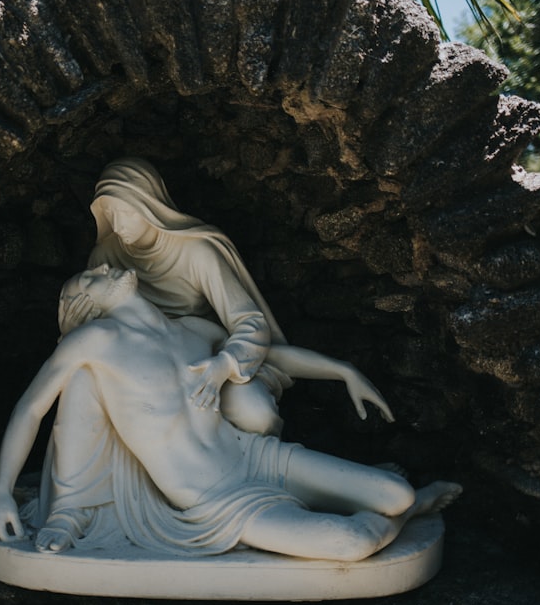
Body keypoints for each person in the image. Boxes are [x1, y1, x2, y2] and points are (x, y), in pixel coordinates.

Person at [0, 265, 460, 561]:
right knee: (351, 545)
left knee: (396, 493)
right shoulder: (95, 343)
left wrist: (342, 370)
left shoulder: (193, 330)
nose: (106, 265)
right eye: (90, 277)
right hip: (217, 502)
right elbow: (30, 410)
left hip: (255, 458)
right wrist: (3, 495)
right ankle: (376, 514)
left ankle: (395, 506)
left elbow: (269, 355)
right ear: (86, 305)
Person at [75, 157, 365, 436]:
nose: (117, 225)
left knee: (256, 414)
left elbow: (249, 322)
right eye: (109, 214)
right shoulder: (105, 257)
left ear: (148, 203)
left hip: (205, 357)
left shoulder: (196, 252)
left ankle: (272, 476)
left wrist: (224, 365)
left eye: (124, 212)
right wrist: (73, 327)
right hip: (144, 368)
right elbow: (95, 328)